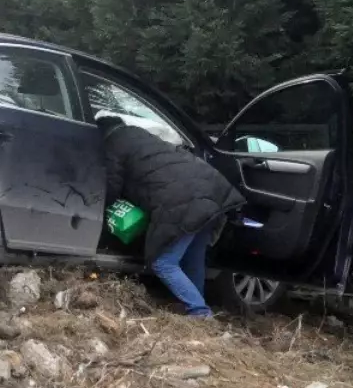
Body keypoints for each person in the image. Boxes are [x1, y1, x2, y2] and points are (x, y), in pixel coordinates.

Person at [99, 116, 247, 318]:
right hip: (213, 192)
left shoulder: (112, 145)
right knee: (193, 259)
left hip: (182, 202)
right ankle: (198, 311)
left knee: (163, 262)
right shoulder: (142, 135)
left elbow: (112, 185)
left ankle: (200, 312)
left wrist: (101, 207)